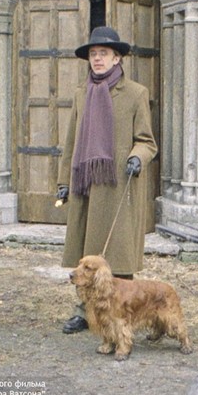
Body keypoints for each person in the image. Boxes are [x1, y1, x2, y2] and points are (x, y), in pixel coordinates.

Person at [56, 26, 158, 334]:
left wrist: (137, 157)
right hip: (87, 185)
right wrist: (64, 181)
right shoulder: (81, 93)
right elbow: (72, 141)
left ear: (117, 58)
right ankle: (84, 311)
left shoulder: (135, 93)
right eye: (93, 54)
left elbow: (147, 141)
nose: (97, 59)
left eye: (104, 53)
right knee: (86, 253)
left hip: (118, 186)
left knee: (118, 253)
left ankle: (123, 311)